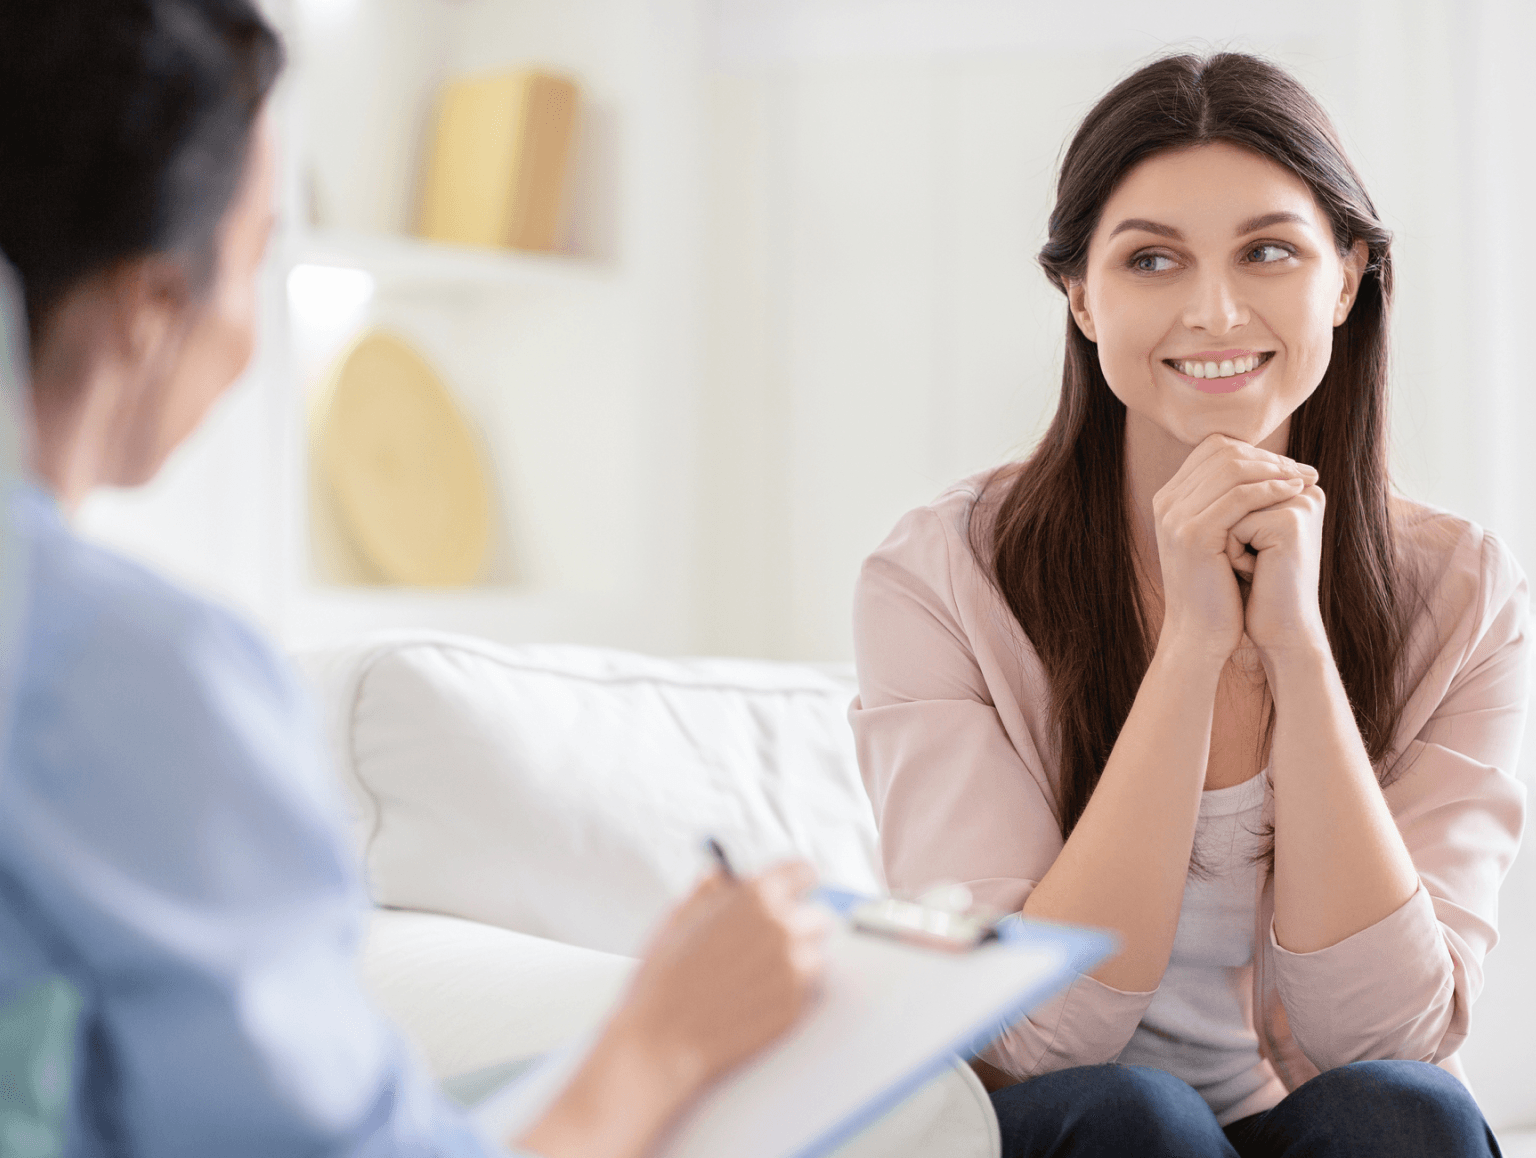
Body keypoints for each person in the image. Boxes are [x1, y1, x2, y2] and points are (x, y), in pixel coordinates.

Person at [0, 2, 829, 1155]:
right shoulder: (125, 673)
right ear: (151, 308)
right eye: (254, 260)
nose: (248, 333)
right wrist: (665, 1039)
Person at [851, 52, 1525, 1158]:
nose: (1214, 312)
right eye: (1152, 259)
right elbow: (1026, 1036)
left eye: (1269, 251)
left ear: (1347, 277)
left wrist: (1296, 650)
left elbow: (1389, 1035)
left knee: (1404, 1110)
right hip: (1078, 1124)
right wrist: (1196, 647)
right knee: (1138, 1119)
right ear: (1079, 293)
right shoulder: (940, 576)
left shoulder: (1462, 594)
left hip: (1316, 1120)